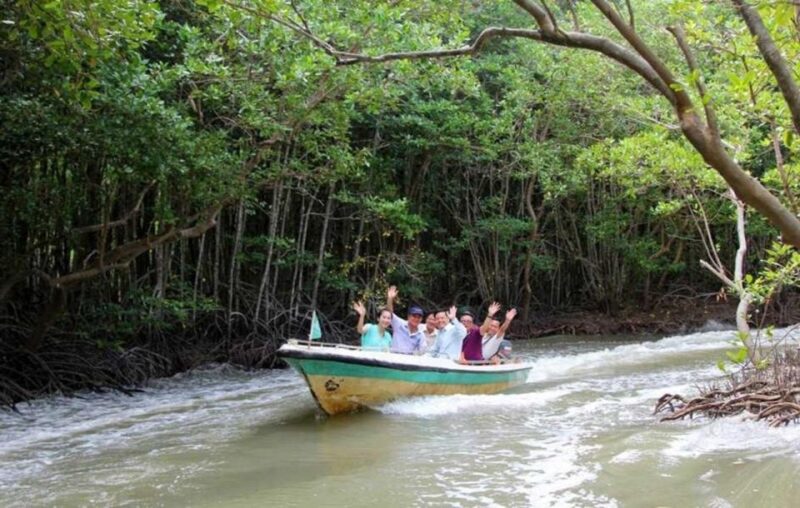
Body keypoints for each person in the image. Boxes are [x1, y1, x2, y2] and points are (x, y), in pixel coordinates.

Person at [386, 285, 425, 354]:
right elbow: (389, 312)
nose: (416, 319)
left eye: (419, 317)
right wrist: (390, 299)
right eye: (414, 316)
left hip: (407, 361)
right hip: (393, 358)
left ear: (421, 319)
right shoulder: (399, 324)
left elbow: (422, 351)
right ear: (408, 317)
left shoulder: (420, 334)